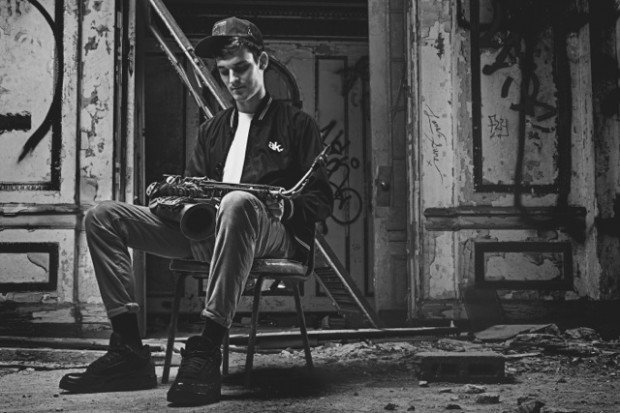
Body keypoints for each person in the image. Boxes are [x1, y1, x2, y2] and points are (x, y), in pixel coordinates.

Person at [59, 16, 333, 406]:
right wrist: (189, 213)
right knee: (102, 217)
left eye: (241, 68)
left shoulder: (298, 125)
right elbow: (194, 189)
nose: (233, 80)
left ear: (262, 63)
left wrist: (286, 206)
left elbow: (322, 199)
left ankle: (206, 348)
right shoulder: (211, 130)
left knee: (237, 202)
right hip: (210, 233)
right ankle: (129, 351)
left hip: (273, 234)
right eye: (224, 72)